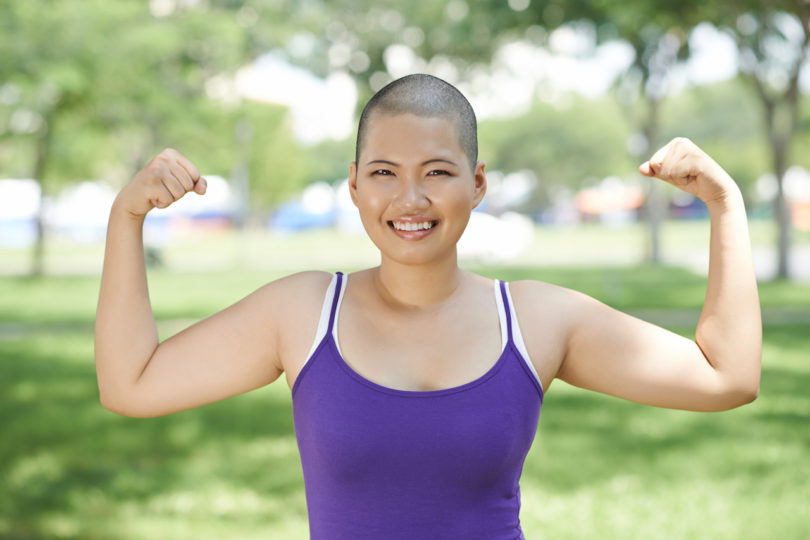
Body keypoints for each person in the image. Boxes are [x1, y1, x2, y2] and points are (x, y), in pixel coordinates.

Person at [95, 74, 761, 539]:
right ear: (354, 187)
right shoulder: (300, 313)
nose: (409, 199)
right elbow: (131, 384)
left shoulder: (535, 321)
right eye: (384, 173)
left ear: (476, 185)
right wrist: (126, 219)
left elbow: (726, 377)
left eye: (437, 172)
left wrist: (725, 205)